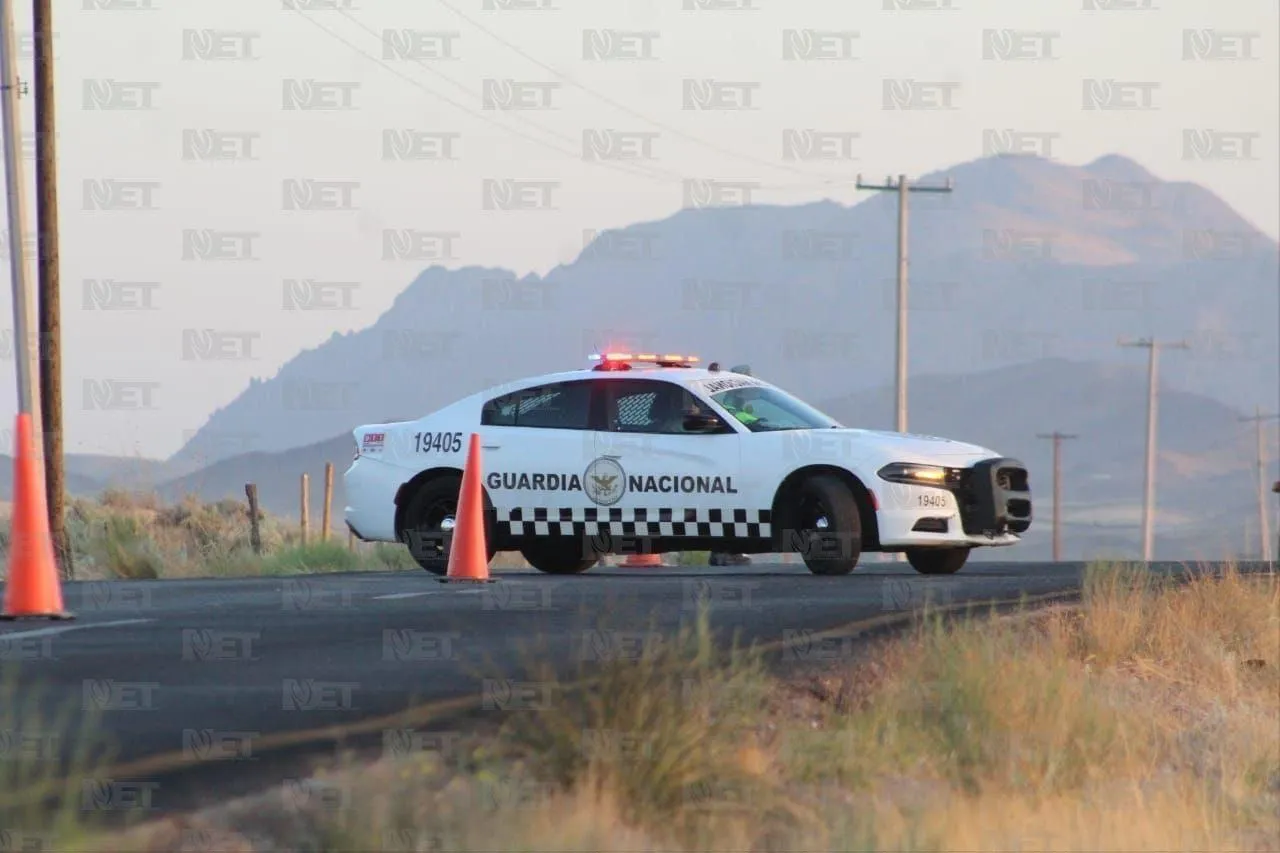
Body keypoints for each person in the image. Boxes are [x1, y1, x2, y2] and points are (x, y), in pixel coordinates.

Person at [707, 361, 752, 567]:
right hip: (729, 464)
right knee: (731, 507)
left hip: (725, 463)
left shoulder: (726, 401)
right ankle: (726, 552)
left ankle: (724, 551)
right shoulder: (733, 405)